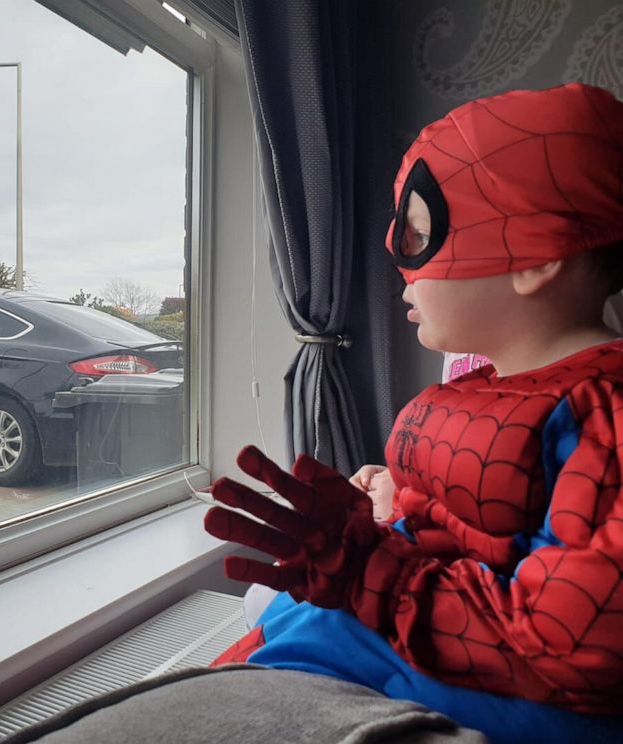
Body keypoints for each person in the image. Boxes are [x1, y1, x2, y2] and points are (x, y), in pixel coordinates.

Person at [202, 83, 623, 744]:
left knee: (284, 646)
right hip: (436, 620)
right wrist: (395, 502)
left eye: (420, 236)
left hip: (539, 698)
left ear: (537, 257)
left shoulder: (607, 416)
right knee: (285, 617)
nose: (399, 263)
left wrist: (366, 570)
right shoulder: (488, 383)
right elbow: (493, 516)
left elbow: (573, 642)